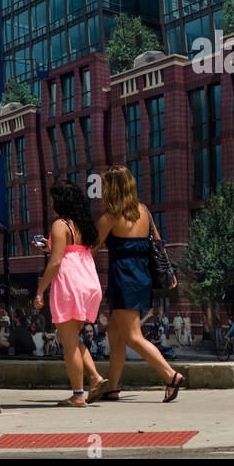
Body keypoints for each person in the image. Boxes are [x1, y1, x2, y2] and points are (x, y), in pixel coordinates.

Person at [93, 165, 185, 402]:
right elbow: (157, 245)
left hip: (124, 278)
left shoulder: (109, 218)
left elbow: (90, 250)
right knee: (115, 333)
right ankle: (112, 386)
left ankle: (170, 375)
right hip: (142, 277)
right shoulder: (144, 211)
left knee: (133, 336)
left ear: (112, 189)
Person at [34, 180, 108, 407]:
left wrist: (40, 290)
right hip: (89, 284)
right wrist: (50, 246)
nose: (52, 203)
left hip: (69, 286)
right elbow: (70, 251)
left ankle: (78, 395)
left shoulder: (59, 225)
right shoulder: (83, 225)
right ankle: (95, 378)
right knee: (72, 339)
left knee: (68, 344)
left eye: (54, 199)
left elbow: (56, 262)